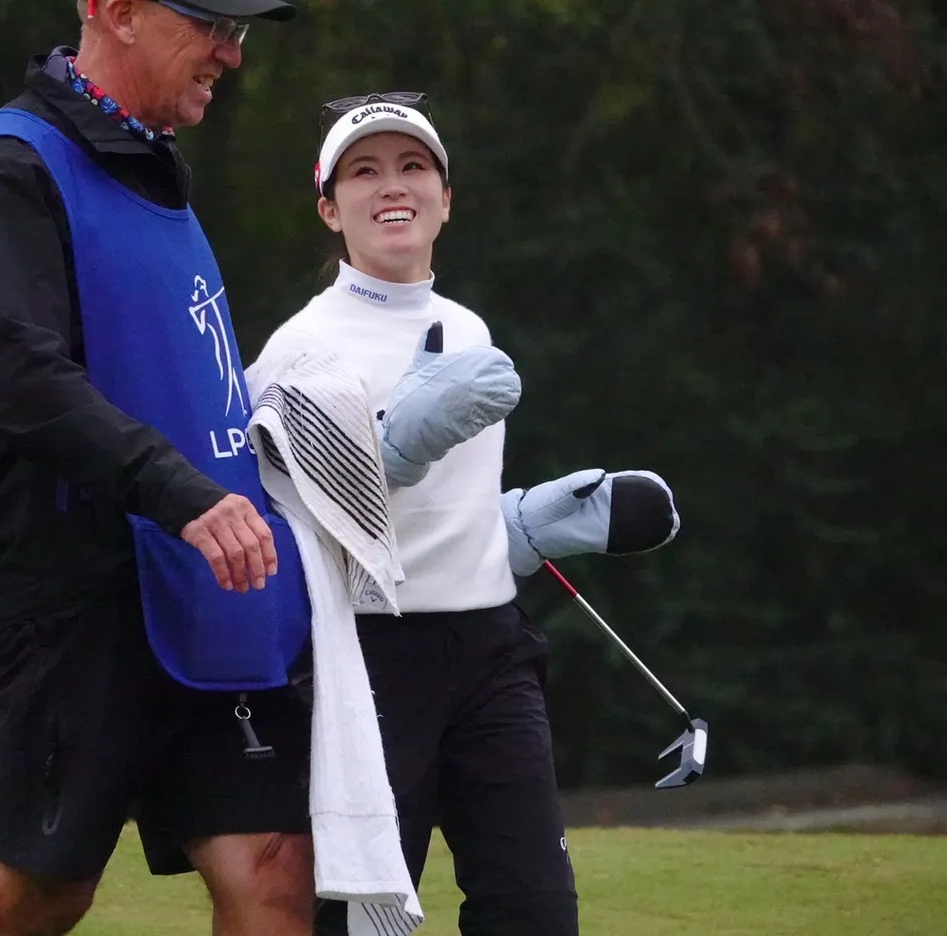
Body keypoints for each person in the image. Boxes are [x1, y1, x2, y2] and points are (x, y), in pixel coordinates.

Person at [0, 3, 321, 935]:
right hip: (78, 587)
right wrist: (180, 493)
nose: (230, 53)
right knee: (42, 890)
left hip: (210, 586)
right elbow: (19, 376)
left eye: (241, 30)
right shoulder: (6, 167)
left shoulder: (155, 168)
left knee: (276, 871)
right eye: (210, 21)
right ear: (111, 8)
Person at [250, 94, 680, 936]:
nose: (392, 185)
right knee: (362, 920)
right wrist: (393, 446)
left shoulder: (468, 329)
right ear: (329, 208)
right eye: (363, 172)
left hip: (492, 649)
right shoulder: (300, 347)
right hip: (369, 659)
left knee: (534, 911)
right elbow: (301, 522)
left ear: (446, 199)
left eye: (413, 166)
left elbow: (455, 507)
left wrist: (522, 527)